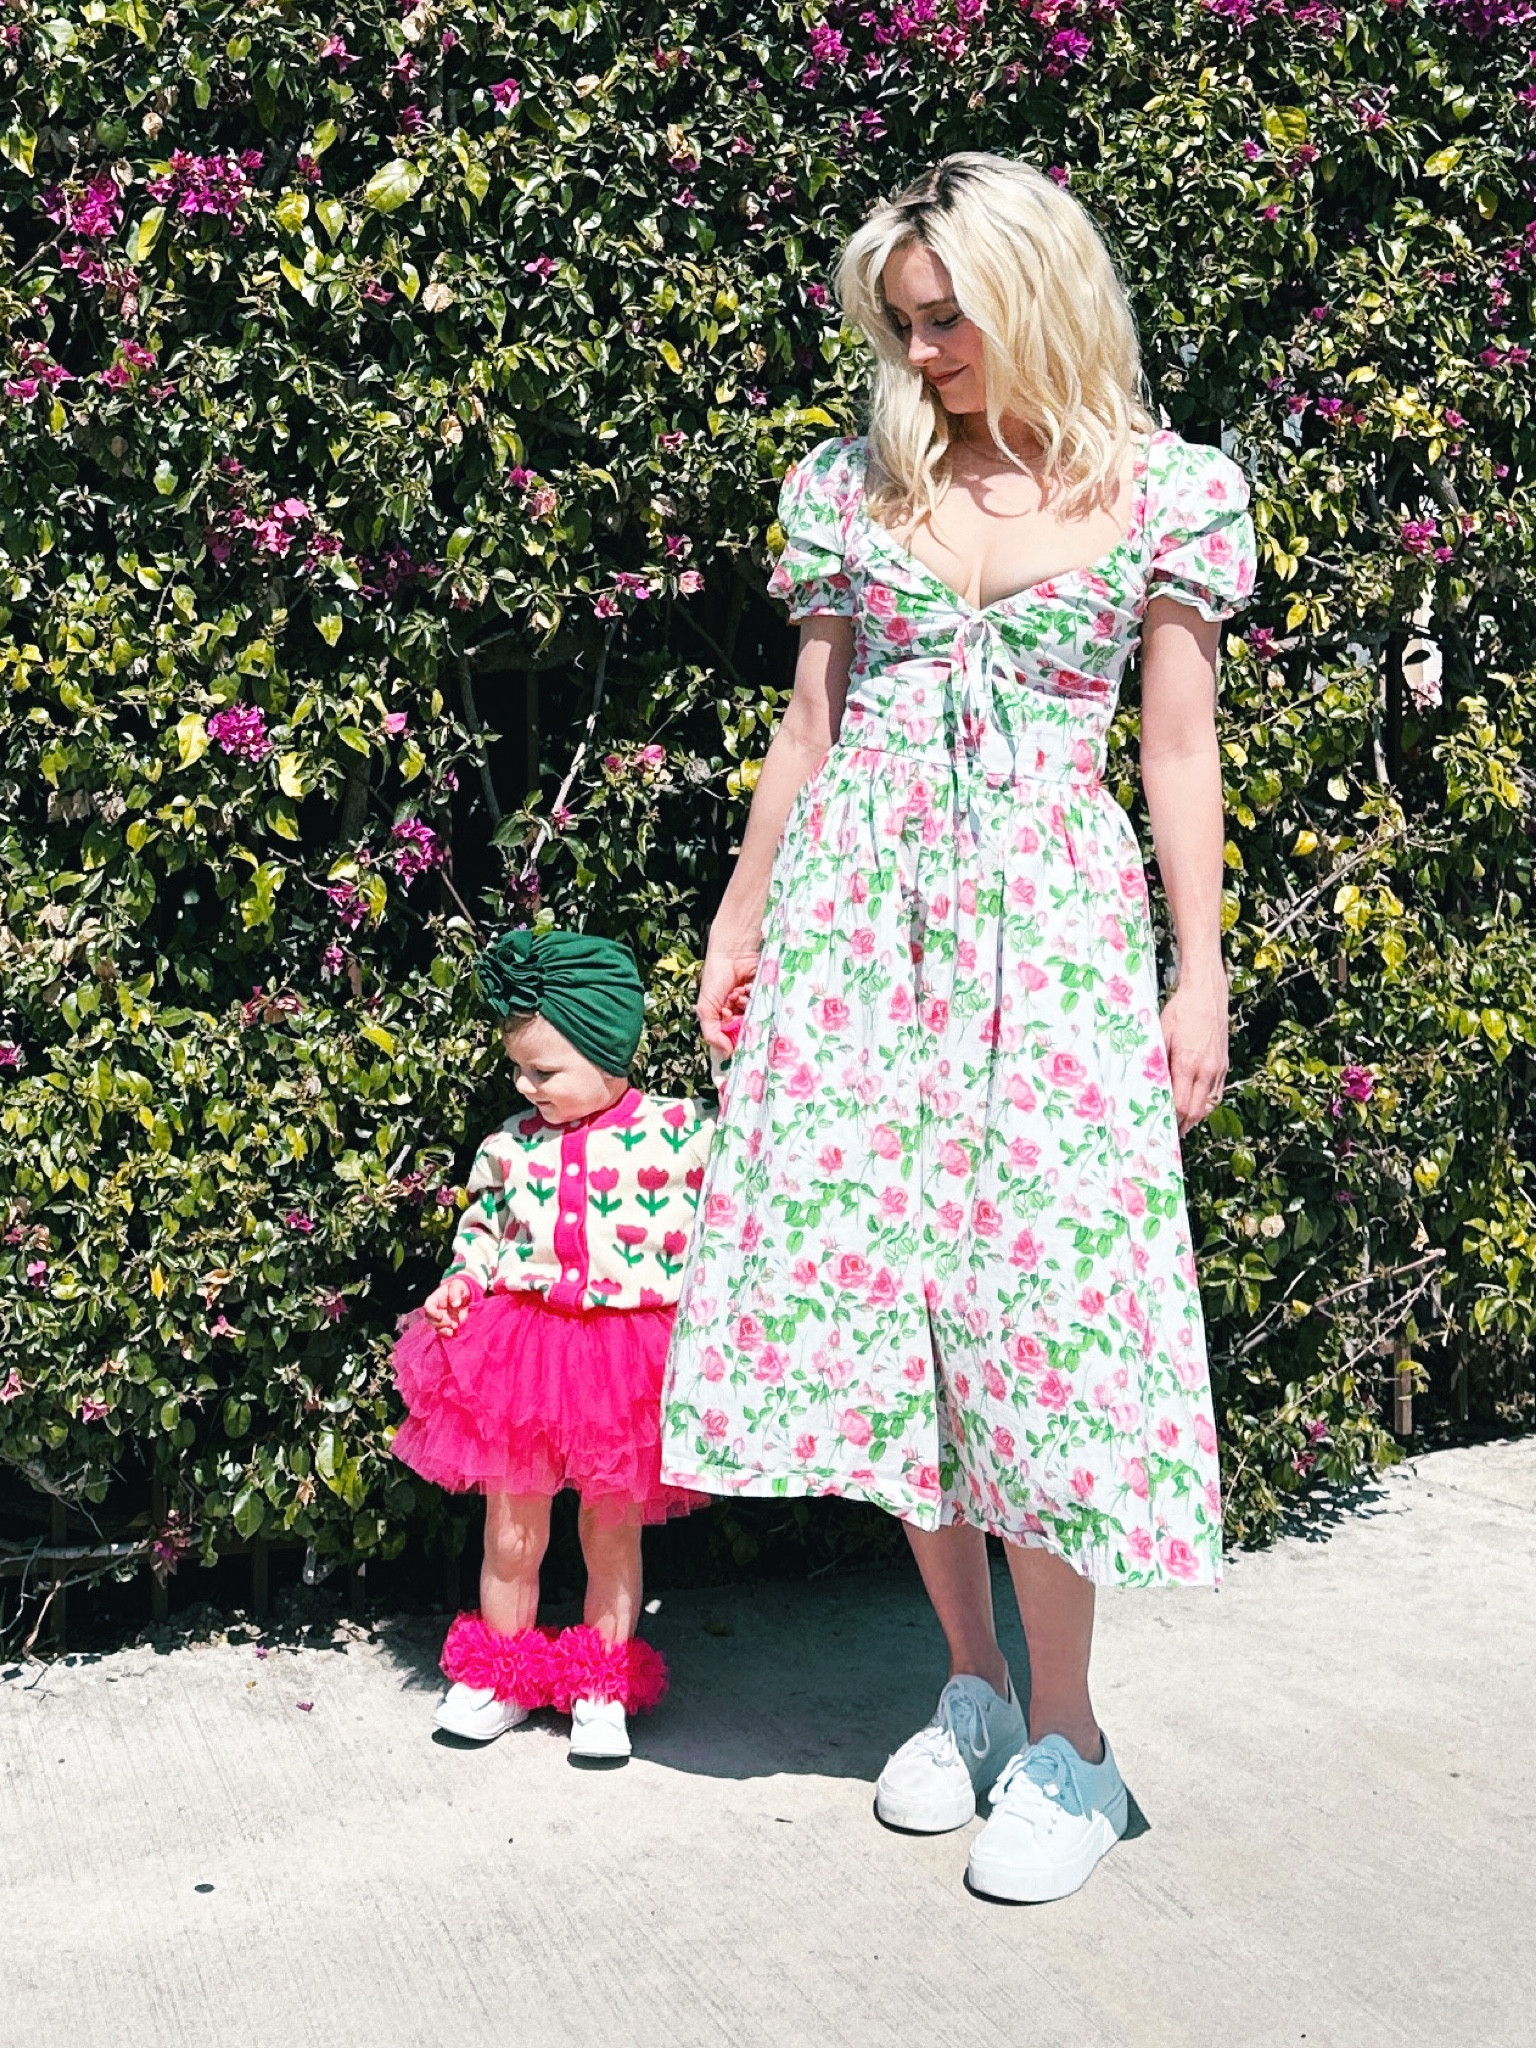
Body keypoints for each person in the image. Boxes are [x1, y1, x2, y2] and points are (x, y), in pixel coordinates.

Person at [661, 153, 1255, 1899]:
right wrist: (743, 909)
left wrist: (1197, 970)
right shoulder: (853, 489)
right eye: (900, 326)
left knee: (1041, 1320)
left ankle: (1075, 1742)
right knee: (895, 1307)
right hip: (860, 926)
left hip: (1052, 945)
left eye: (946, 318)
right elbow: (807, 724)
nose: (921, 353)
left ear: (1041, 293)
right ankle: (976, 1689)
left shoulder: (1168, 492)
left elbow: (1178, 750)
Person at [393, 928, 712, 1761]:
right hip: (522, 1350)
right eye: (519, 1071)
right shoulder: (507, 1147)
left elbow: (754, 1164)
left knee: (612, 1527)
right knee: (512, 1529)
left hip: (623, 1360)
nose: (526, 1086)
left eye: (545, 1071)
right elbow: (483, 1233)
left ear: (610, 1052)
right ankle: (500, 1673)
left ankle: (601, 1680)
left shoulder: (685, 1134)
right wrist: (462, 1281)